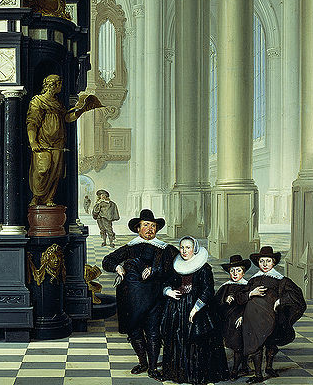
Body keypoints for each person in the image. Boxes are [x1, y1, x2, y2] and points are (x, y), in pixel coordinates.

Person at [102, 209, 178, 379]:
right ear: (138, 228)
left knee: (153, 332)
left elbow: (174, 271)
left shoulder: (166, 249)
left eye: (153, 226)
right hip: (132, 299)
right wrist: (117, 267)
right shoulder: (130, 247)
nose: (150, 229)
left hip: (155, 297)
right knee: (134, 332)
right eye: (146, 225)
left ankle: (152, 367)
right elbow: (107, 260)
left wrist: (155, 269)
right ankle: (142, 362)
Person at [160, 236, 228, 385]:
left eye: (188, 248)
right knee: (177, 339)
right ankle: (179, 373)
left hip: (198, 307)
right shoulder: (176, 265)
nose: (184, 251)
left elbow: (207, 291)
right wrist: (169, 291)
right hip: (177, 307)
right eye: (182, 247)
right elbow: (167, 282)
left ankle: (196, 376)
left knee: (196, 341)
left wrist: (195, 309)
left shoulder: (204, 268)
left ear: (194, 249)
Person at [26, 74, 100, 206]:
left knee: (56, 172)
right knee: (42, 170)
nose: (60, 86)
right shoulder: (38, 101)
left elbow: (67, 118)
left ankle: (49, 198)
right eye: (58, 84)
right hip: (43, 143)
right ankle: (36, 197)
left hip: (58, 144)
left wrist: (82, 110)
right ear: (51, 85)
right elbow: (32, 122)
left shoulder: (58, 103)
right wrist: (33, 142)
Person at [241, 246, 306, 383]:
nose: (264, 264)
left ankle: (269, 367)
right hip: (253, 318)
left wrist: (281, 301)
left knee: (270, 342)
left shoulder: (280, 280)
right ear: (258, 262)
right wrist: (251, 294)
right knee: (256, 344)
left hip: (272, 317)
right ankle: (258, 375)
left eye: (268, 261)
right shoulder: (253, 280)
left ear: (274, 262)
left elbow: (296, 295)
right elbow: (240, 296)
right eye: (262, 261)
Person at [215, 254, 252, 380]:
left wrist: (243, 317)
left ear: (244, 271)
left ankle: (236, 369)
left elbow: (251, 305)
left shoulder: (248, 286)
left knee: (239, 344)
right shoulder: (225, 286)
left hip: (242, 319)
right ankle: (242, 366)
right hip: (227, 320)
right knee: (234, 343)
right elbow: (216, 304)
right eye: (232, 271)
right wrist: (225, 300)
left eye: (238, 270)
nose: (235, 273)